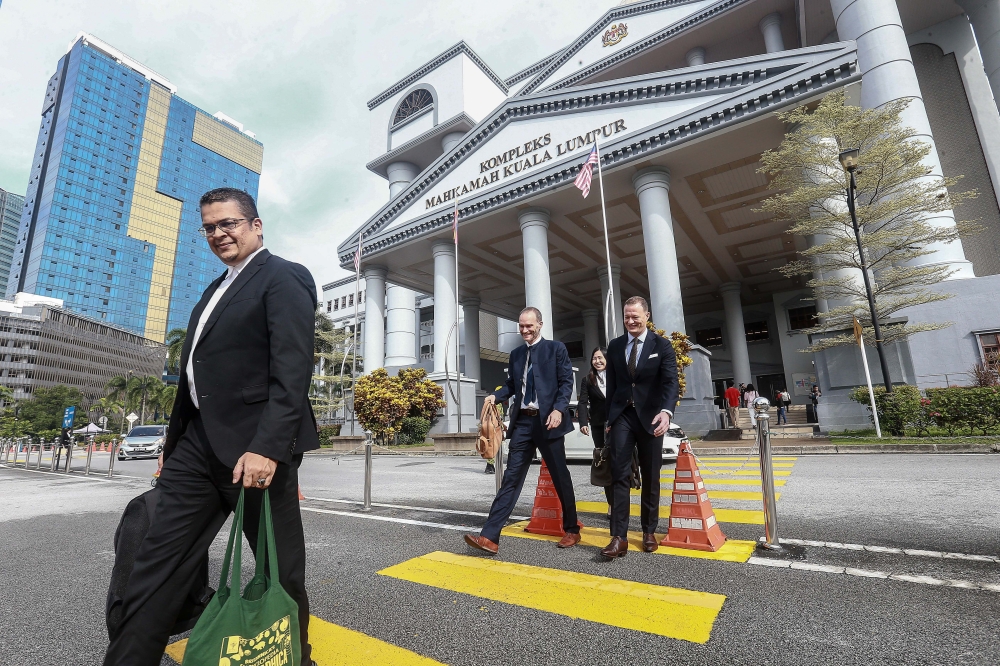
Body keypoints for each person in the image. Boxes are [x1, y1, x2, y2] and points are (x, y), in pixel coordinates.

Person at [103, 188, 320, 666]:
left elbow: (292, 370)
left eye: (229, 224)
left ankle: (295, 660)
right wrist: (175, 441)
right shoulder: (214, 288)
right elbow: (196, 373)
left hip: (255, 449)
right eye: (209, 227)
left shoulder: (283, 277)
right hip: (196, 447)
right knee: (154, 564)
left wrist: (268, 446)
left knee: (279, 572)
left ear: (256, 225)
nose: (219, 233)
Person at [464, 307, 580, 554]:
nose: (525, 330)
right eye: (521, 326)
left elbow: (566, 382)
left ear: (540, 324)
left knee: (561, 477)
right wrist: (495, 396)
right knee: (511, 479)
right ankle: (490, 536)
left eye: (529, 326)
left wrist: (559, 409)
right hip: (523, 424)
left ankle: (572, 529)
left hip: (549, 421)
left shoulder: (556, 349)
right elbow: (512, 386)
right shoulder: (516, 354)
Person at [600, 297, 679, 559]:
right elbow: (612, 385)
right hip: (623, 416)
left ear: (647, 316)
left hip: (652, 418)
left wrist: (666, 413)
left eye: (636, 316)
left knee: (651, 475)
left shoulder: (662, 345)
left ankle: (648, 530)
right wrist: (610, 420)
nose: (631, 321)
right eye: (626, 317)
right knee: (619, 474)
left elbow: (670, 383)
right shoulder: (615, 346)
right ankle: (619, 537)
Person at [578, 347, 611, 512]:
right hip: (598, 426)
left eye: (600, 358)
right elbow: (582, 402)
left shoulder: (617, 376)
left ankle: (621, 502)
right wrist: (583, 422)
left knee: (619, 463)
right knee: (604, 463)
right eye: (594, 358)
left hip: (618, 424)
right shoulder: (587, 379)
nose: (597, 361)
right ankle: (611, 504)